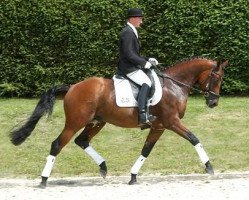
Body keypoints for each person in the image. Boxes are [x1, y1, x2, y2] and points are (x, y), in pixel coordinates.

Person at [117, 8, 159, 126]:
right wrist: (143, 64)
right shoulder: (127, 32)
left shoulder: (131, 31)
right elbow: (128, 54)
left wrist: (147, 59)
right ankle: (142, 115)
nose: (141, 21)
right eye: (140, 19)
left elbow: (134, 54)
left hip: (132, 65)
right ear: (133, 18)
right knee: (147, 82)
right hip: (128, 68)